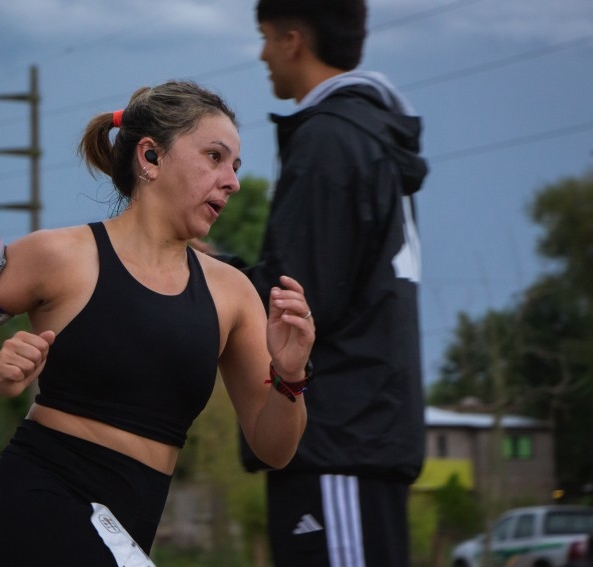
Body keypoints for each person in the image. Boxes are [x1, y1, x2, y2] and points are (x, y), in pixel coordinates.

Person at [0, 79, 315, 566]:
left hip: (127, 530)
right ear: (151, 157)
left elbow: (274, 449)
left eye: (236, 166)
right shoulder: (59, 256)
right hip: (37, 508)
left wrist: (290, 378)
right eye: (214, 157)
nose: (232, 180)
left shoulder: (233, 293)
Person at [238, 1, 430, 566]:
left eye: (266, 37)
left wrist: (204, 274)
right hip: (355, 439)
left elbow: (295, 299)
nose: (262, 54)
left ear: (294, 40)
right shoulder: (366, 134)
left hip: (336, 443)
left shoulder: (330, 141)